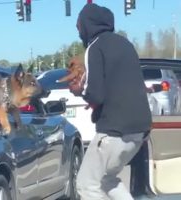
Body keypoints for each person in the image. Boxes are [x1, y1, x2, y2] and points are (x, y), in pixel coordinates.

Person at [68, 3, 152, 200]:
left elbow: (95, 93)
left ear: (88, 25)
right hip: (140, 131)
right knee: (107, 180)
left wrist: (79, 90)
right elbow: (119, 85)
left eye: (79, 25)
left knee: (86, 185)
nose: (78, 29)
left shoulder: (95, 46)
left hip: (114, 130)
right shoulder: (125, 44)